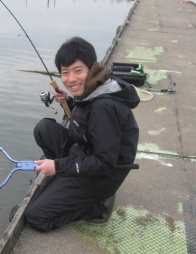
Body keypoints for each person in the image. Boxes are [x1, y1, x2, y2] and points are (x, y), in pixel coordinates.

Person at [24, 36, 140, 233]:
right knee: (44, 129)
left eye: (78, 71)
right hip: (85, 153)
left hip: (102, 176)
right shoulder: (93, 88)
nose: (71, 79)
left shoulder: (104, 107)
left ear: (92, 68)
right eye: (65, 73)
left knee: (35, 216)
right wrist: (69, 102)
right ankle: (63, 181)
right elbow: (88, 124)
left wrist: (59, 166)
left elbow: (105, 162)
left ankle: (95, 207)